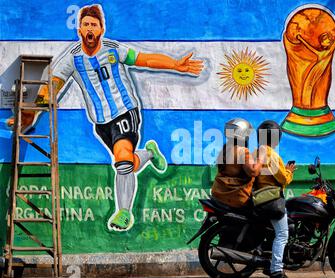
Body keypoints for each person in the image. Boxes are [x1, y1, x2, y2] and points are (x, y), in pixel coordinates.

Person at [7, 4, 204, 232]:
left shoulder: (113, 49)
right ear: (79, 29)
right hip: (101, 123)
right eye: (86, 24)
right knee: (126, 164)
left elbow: (145, 59)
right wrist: (31, 113)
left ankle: (123, 212)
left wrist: (175, 65)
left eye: (94, 24)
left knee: (122, 159)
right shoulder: (72, 58)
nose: (90, 28)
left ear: (101, 29)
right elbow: (53, 87)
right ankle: (149, 153)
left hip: (125, 111)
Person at [254, 120, 296, 278]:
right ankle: (277, 273)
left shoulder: (258, 151)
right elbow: (283, 179)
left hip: (260, 198)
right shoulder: (271, 154)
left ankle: (270, 265)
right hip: (270, 199)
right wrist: (289, 171)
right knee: (283, 235)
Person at [211, 118, 261, 211]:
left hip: (218, 193)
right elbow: (253, 171)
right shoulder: (242, 151)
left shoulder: (225, 149)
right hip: (235, 197)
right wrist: (260, 158)